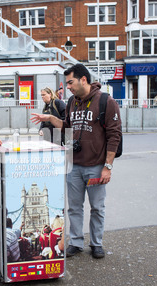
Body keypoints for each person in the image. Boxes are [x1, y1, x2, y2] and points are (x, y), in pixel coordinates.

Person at [31, 63, 122, 259]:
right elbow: (66, 126)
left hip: (96, 166)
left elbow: (114, 136)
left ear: (83, 79)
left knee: (97, 207)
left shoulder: (106, 101)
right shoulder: (72, 101)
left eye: (70, 82)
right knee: (74, 207)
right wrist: (49, 118)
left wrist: (107, 167)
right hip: (73, 165)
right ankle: (76, 242)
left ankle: (96, 243)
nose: (68, 87)